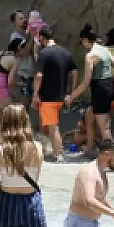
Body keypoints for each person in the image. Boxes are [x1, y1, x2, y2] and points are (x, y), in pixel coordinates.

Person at [67, 26, 114, 152]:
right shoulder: (105, 50)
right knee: (89, 117)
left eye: (81, 42)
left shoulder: (90, 56)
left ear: (85, 40)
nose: (82, 45)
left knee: (104, 128)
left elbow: (86, 83)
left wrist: (71, 97)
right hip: (109, 86)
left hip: (100, 90)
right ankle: (90, 148)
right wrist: (112, 80)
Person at [30, 26, 75, 162]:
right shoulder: (66, 53)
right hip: (61, 96)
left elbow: (38, 76)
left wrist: (35, 94)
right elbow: (75, 72)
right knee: (46, 123)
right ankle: (45, 149)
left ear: (43, 38)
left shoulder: (44, 54)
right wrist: (71, 94)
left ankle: (57, 154)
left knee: (53, 126)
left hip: (48, 97)